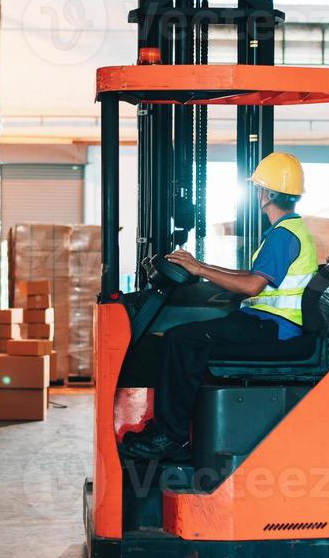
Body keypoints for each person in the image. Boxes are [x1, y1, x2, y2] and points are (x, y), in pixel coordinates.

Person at [121, 151, 318, 461]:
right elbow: (252, 277)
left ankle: (170, 437)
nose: (257, 193)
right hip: (267, 323)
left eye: (258, 188)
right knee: (185, 339)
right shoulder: (289, 231)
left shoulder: (283, 236)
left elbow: (252, 286)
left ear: (265, 193)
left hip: (273, 328)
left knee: (180, 340)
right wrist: (201, 266)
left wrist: (199, 271)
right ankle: (173, 430)